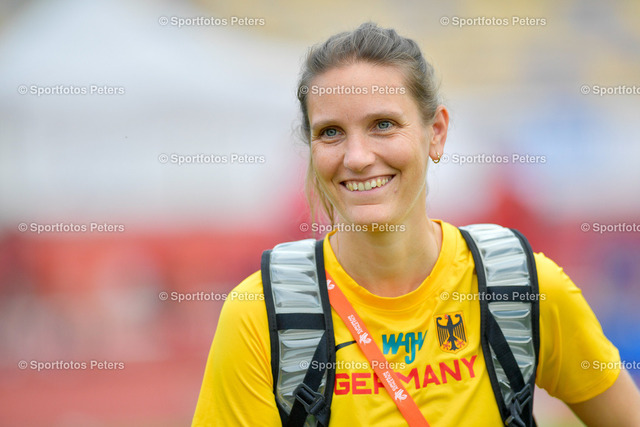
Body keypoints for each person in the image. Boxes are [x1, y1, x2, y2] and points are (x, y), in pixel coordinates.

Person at [192, 22, 640, 426]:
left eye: (383, 124)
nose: (357, 157)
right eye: (330, 132)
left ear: (436, 133)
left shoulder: (522, 287)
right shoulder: (259, 314)